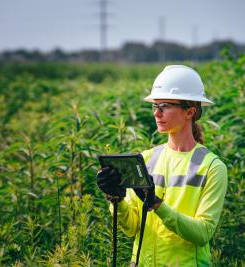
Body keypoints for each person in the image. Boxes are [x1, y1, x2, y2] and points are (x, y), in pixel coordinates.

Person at [97, 65, 228, 267]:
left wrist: (157, 204)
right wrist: (116, 199)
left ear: (190, 112)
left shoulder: (211, 167)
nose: (157, 113)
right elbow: (131, 227)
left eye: (165, 106)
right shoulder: (146, 160)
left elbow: (203, 233)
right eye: (155, 106)